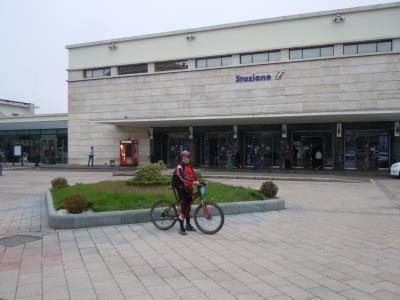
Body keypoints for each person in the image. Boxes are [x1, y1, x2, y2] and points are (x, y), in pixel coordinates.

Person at [174, 150, 200, 235]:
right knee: (184, 207)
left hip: (188, 188)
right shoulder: (179, 167)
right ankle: (181, 228)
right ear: (181, 158)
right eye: (183, 158)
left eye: (187, 158)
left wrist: (199, 181)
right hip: (180, 187)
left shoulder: (190, 166)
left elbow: (193, 176)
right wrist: (193, 182)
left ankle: (188, 225)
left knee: (189, 206)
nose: (185, 159)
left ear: (189, 158)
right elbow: (182, 177)